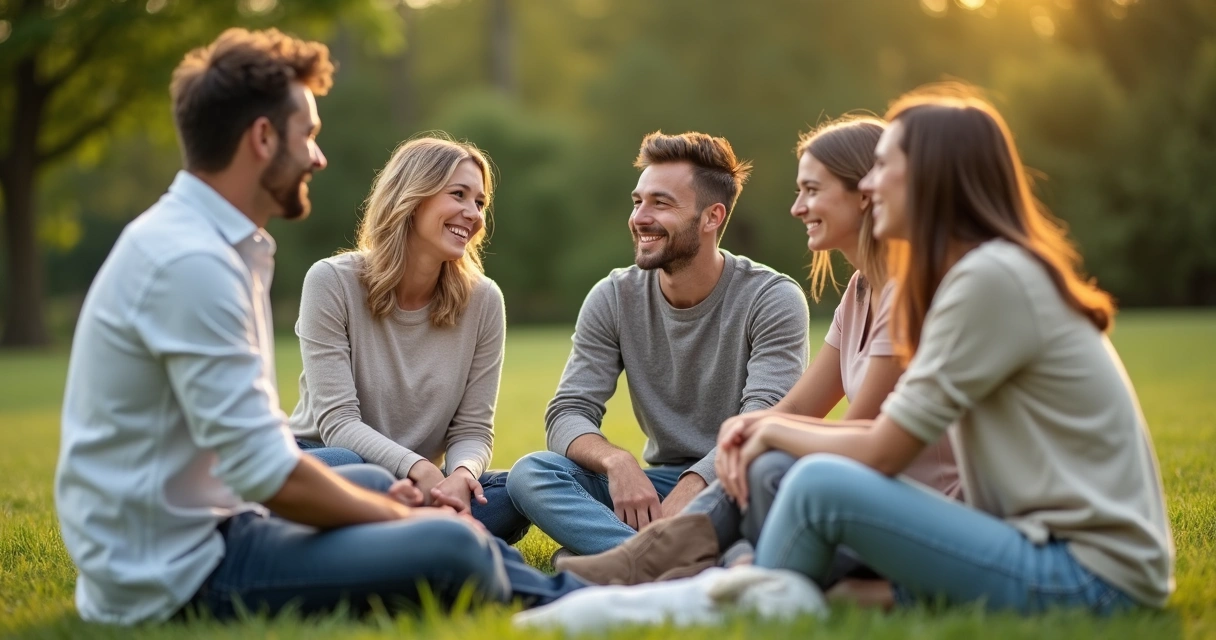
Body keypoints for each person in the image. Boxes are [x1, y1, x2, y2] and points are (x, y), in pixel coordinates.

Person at [53, 28, 582, 625]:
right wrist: (401, 514)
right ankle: (572, 603)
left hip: (214, 525)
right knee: (442, 536)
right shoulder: (192, 263)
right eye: (308, 134)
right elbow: (269, 468)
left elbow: (249, 460)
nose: (318, 156)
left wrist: (433, 489)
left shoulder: (212, 247)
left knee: (459, 494)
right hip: (181, 567)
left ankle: (569, 592)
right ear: (261, 138)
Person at [725, 85, 1174, 614]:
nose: (868, 184)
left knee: (818, 484)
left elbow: (883, 450)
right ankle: (790, 589)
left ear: (929, 175)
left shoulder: (991, 277)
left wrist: (770, 426)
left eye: (882, 165)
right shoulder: (973, 273)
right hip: (1027, 541)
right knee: (794, 488)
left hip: (1091, 574)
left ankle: (752, 600)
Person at [555, 116, 959, 585]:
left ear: (865, 192)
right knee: (535, 474)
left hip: (914, 505)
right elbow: (801, 406)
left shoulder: (906, 291)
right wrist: (748, 432)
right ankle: (674, 558)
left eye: (811, 190)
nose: (797, 208)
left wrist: (755, 438)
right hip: (863, 493)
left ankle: (666, 560)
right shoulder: (860, 290)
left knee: (768, 464)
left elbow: (861, 433)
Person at [506, 131, 811, 557]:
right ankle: (661, 560)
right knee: (532, 473)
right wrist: (618, 462)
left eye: (661, 203)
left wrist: (697, 482)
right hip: (657, 483)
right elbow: (567, 413)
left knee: (764, 493)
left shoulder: (771, 298)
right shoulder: (613, 296)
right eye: (638, 201)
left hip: (736, 478)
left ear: (712, 217)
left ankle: (612, 560)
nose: (640, 217)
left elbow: (762, 419)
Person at [287, 136, 529, 543]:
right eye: (459, 195)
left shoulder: (484, 300)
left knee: (518, 489)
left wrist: (461, 476)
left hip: (424, 483)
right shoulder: (330, 281)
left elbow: (472, 429)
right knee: (352, 467)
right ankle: (426, 533)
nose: (473, 214)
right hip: (329, 462)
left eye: (480, 203)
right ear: (412, 199)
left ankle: (396, 533)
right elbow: (337, 423)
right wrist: (421, 469)